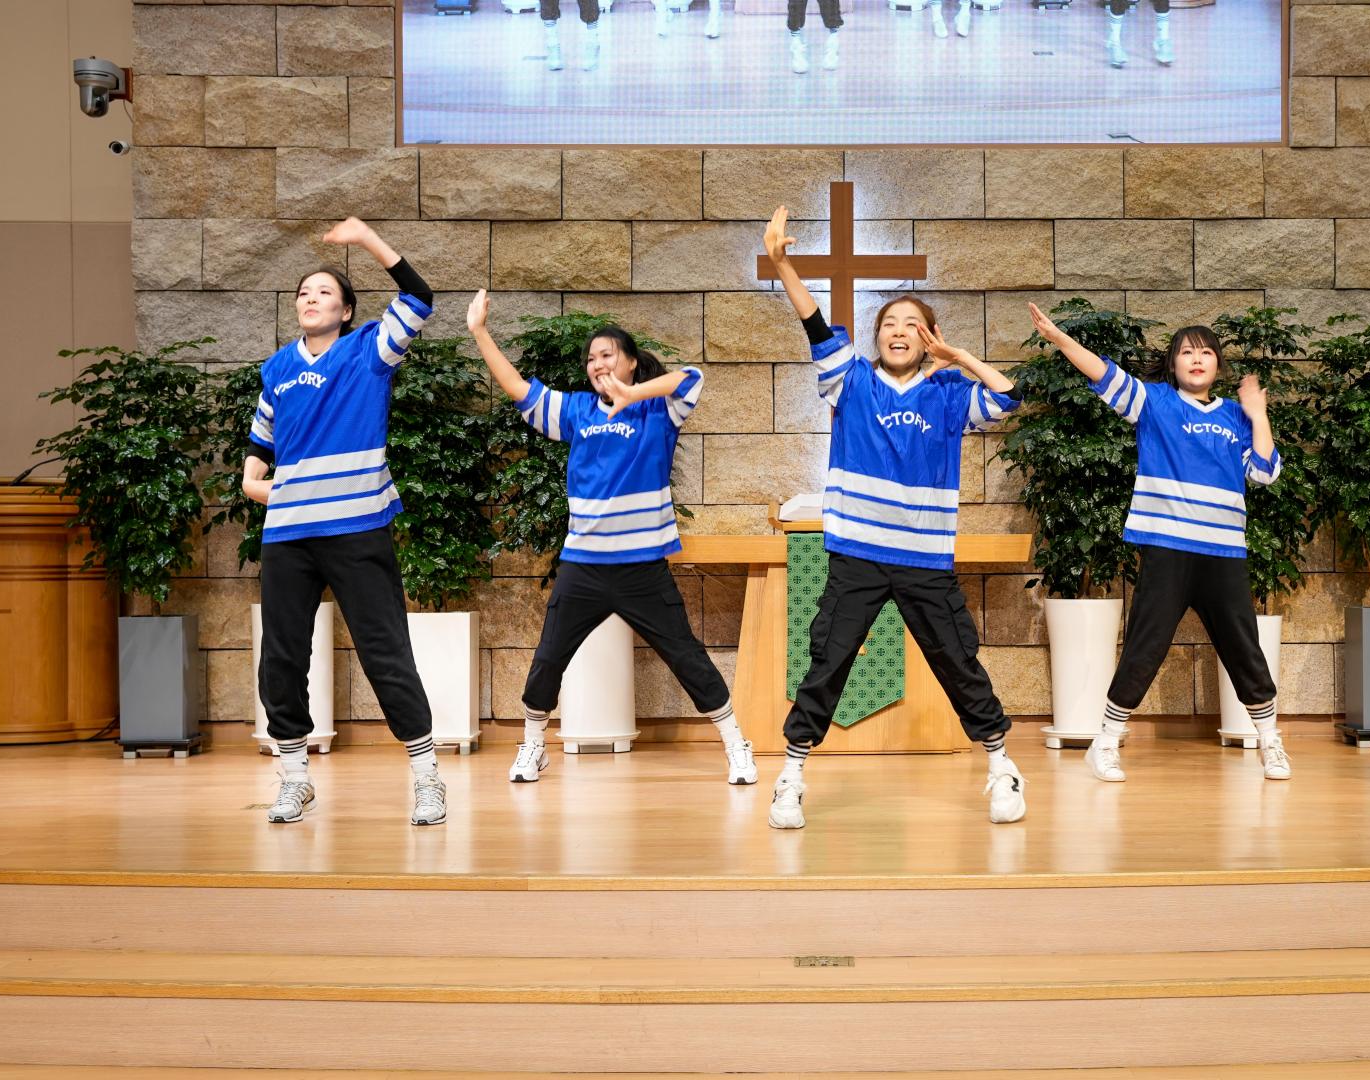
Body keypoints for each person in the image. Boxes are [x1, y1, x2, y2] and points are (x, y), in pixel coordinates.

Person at [761, 205, 1024, 829]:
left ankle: (1001, 765)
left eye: (912, 324)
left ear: (929, 337)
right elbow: (813, 321)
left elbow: (1011, 396)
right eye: (888, 324)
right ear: (876, 337)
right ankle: (791, 775)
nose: (898, 331)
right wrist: (783, 265)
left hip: (924, 559)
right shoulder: (849, 379)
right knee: (827, 662)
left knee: (957, 661)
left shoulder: (950, 394)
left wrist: (959, 356)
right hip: (857, 555)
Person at [467, 292, 753, 787]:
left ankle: (735, 744)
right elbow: (519, 390)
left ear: (631, 361)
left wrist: (633, 395)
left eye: (608, 354)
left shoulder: (659, 410)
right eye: (591, 358)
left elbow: (691, 377)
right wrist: (479, 332)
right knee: (549, 658)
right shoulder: (578, 410)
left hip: (643, 568)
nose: (598, 363)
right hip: (585, 565)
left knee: (686, 656)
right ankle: (533, 745)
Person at [1027, 303, 1286, 784]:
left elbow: (1265, 473)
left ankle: (1270, 741)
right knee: (1145, 646)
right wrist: (1060, 338)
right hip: (1167, 548)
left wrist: (1258, 414)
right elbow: (1102, 372)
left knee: (1244, 648)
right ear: (1172, 364)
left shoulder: (1236, 416)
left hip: (1223, 553)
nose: (1196, 359)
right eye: (1186, 352)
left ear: (1218, 365)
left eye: (1206, 352)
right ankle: (1106, 743)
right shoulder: (1154, 402)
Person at [245, 218, 445, 826]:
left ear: (347, 310)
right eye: (304, 292)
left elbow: (419, 296)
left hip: (357, 528)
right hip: (288, 535)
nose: (311, 298)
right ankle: (294, 780)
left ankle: (427, 778)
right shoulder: (276, 369)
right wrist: (252, 479)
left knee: (385, 651)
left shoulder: (370, 351)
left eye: (325, 291)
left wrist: (365, 239)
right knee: (281, 657)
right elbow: (260, 442)